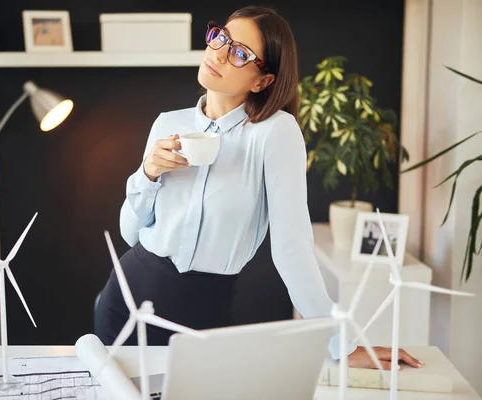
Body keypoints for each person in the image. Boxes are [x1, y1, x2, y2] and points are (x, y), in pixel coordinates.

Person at [95, 5, 422, 370]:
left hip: (202, 316)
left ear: (262, 81)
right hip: (125, 302)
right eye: (222, 37)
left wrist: (341, 346)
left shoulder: (274, 133)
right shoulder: (167, 125)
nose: (219, 52)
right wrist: (147, 174)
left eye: (239, 53)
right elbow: (130, 234)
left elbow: (292, 250)